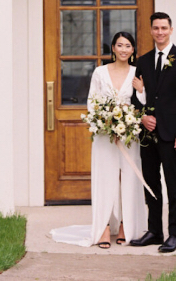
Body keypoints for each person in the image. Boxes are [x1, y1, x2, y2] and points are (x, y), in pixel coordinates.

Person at [50, 31, 146, 248]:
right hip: (105, 136)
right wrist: (106, 122)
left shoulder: (137, 73)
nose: (123, 49)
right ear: (113, 48)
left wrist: (140, 93)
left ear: (133, 50)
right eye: (119, 45)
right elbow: (92, 103)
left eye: (128, 46)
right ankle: (103, 227)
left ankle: (125, 225)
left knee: (127, 178)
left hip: (129, 135)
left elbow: (143, 104)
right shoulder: (100, 72)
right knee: (106, 178)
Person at [130, 11, 176, 253]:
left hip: (171, 134)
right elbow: (135, 97)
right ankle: (155, 231)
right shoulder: (143, 61)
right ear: (150, 30)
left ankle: (175, 233)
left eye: (163, 28)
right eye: (155, 28)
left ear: (171, 29)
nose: (159, 32)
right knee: (151, 183)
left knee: (173, 183)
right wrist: (142, 116)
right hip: (147, 134)